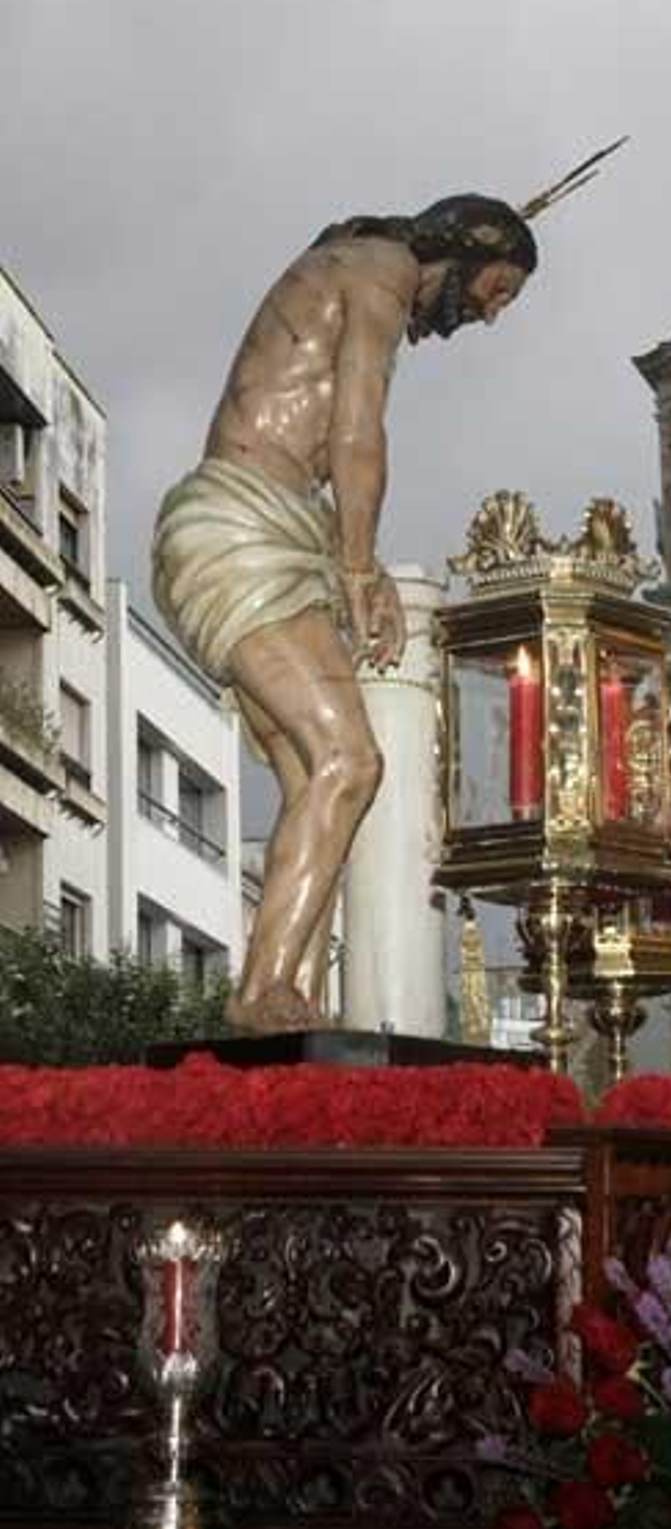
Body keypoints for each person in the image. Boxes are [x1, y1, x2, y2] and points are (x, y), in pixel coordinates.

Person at [152, 193, 538, 1031]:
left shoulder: (343, 265)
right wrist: (361, 570)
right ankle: (262, 995)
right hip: (241, 529)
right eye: (497, 289)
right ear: (470, 250)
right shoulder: (380, 272)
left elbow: (311, 442)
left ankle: (294, 996)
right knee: (350, 762)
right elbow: (356, 433)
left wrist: (343, 565)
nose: (488, 314)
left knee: (312, 776)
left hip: (264, 528)